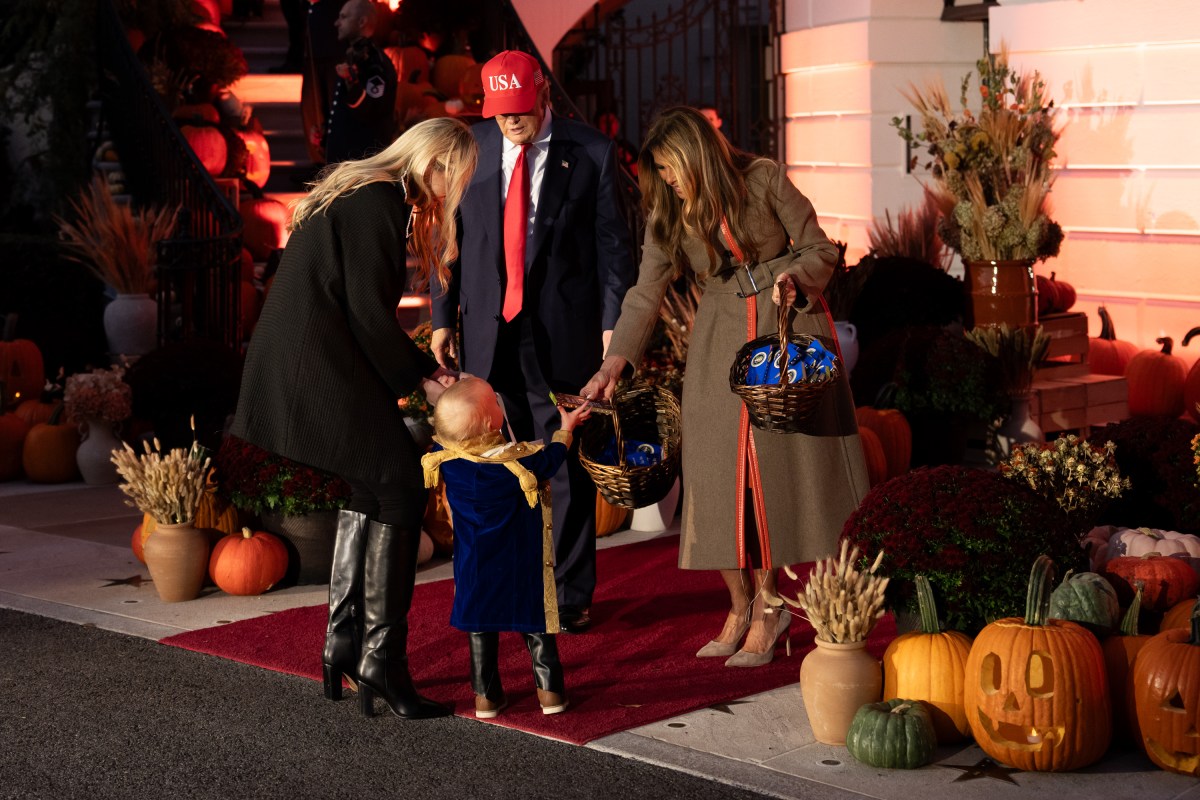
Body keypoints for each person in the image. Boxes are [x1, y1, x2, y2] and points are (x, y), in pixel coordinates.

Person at [581, 107, 870, 667]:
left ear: (696, 154)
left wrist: (787, 277)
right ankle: (737, 605)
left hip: (782, 330)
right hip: (716, 337)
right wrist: (615, 362)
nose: (667, 180)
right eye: (660, 171)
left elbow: (821, 248)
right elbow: (646, 291)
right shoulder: (668, 211)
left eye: (672, 167)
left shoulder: (763, 178)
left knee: (767, 473)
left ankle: (769, 606)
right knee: (716, 474)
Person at [230, 117, 478, 718]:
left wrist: (419, 368)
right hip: (314, 366)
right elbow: (369, 313)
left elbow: (359, 307)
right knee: (398, 481)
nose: (453, 192)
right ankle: (381, 661)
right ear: (432, 162)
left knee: (372, 487)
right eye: (455, 176)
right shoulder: (379, 202)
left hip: (312, 358)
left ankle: (344, 644)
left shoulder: (366, 193)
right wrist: (422, 379)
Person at [429, 50, 636, 635]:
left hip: (563, 335)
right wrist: (443, 313)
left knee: (564, 461)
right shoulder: (470, 147)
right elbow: (447, 236)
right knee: (499, 463)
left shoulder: (591, 152)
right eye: (499, 112)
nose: (509, 122)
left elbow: (614, 251)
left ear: (541, 94)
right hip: (488, 333)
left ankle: (570, 594)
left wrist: (613, 326)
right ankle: (517, 579)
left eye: (518, 110)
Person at [421, 378, 591, 717]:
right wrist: (565, 431)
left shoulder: (447, 462)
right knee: (535, 623)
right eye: (495, 403)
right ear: (489, 422)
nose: (501, 405)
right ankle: (550, 693)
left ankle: (486, 697)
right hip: (519, 563)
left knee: (481, 628)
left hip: (473, 567)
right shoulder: (516, 464)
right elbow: (550, 460)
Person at [322, 0, 398, 165]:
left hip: (361, 165)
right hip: (345, 164)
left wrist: (351, 81)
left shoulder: (374, 62)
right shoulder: (353, 56)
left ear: (362, 22)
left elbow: (371, 109)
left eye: (343, 17)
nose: (337, 23)